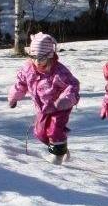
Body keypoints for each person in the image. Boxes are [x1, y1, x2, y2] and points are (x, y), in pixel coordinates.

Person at [8, 32, 80, 164]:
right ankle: (60, 147)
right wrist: (13, 98)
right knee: (40, 133)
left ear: (50, 56)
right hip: (42, 108)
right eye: (33, 57)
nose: (36, 62)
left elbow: (73, 85)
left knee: (54, 129)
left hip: (59, 107)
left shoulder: (59, 72)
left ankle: (57, 156)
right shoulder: (28, 70)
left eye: (40, 58)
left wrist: (65, 100)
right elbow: (20, 85)